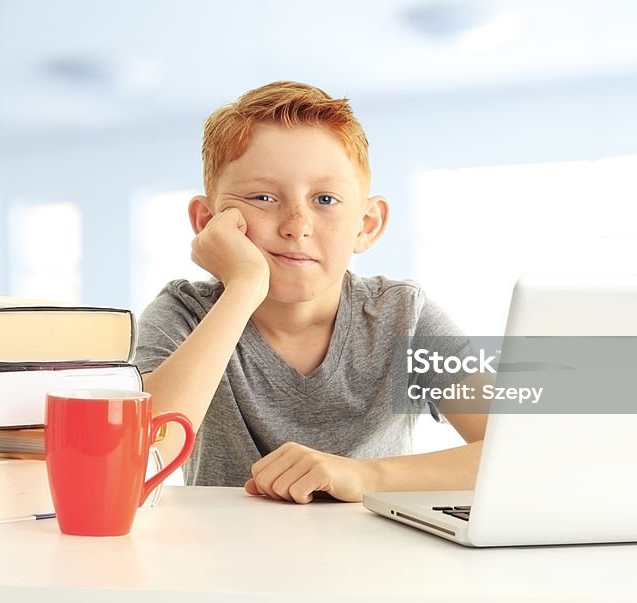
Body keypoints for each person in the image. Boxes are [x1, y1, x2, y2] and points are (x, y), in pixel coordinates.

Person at [133, 80, 487, 504]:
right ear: (208, 220)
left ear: (367, 224)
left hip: (378, 562)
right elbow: (142, 456)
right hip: (224, 562)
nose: (296, 225)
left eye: (325, 199)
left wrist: (365, 476)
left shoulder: (403, 316)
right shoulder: (184, 313)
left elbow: (528, 453)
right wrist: (244, 286)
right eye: (263, 197)